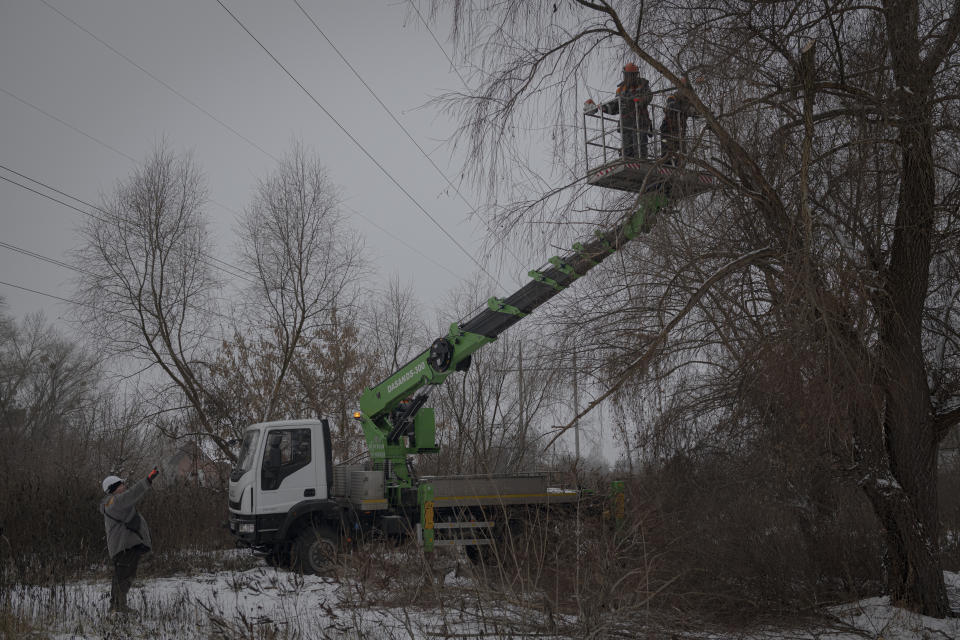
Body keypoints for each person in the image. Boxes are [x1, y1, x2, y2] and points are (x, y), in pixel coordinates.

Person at [100, 467, 159, 614]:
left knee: (123, 575)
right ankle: (118, 607)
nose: (124, 487)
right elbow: (133, 493)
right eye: (121, 485)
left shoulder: (112, 503)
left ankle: (117, 606)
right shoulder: (115, 502)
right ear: (114, 488)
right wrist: (148, 479)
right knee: (124, 576)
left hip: (124, 546)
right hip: (124, 547)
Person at [603, 63, 653, 159]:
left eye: (633, 75)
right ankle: (628, 161)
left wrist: (641, 99)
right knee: (627, 149)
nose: (630, 77)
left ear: (636, 74)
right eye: (628, 75)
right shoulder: (620, 90)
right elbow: (615, 107)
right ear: (625, 75)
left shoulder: (643, 85)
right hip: (626, 123)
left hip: (640, 120)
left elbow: (649, 96)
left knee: (639, 145)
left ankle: (641, 162)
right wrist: (603, 108)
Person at [659, 76, 697, 165]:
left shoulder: (689, 100)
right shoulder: (674, 96)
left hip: (680, 129)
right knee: (667, 145)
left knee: (681, 149)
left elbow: (695, 111)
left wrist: (699, 112)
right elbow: (671, 101)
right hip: (668, 127)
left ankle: (678, 163)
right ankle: (667, 161)